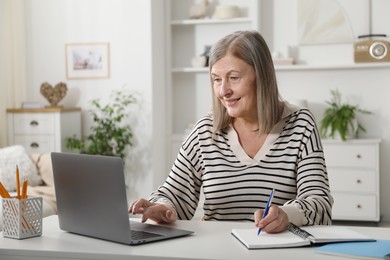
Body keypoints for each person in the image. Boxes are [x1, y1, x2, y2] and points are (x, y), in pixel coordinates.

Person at [130, 30, 333, 234]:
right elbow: (174, 194)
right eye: (217, 79)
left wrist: (287, 214)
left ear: (262, 77)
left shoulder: (300, 125)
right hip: (216, 251)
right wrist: (162, 207)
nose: (223, 91)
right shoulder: (205, 131)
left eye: (234, 78)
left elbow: (319, 204)